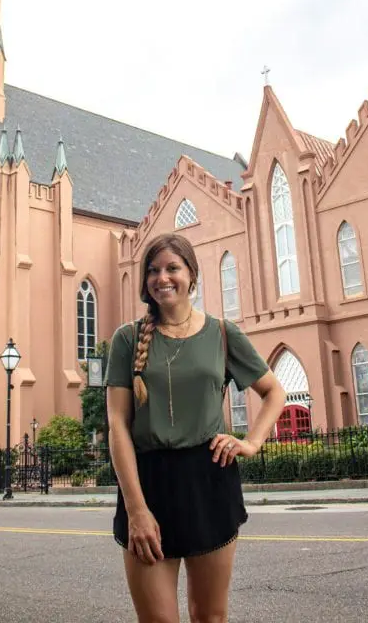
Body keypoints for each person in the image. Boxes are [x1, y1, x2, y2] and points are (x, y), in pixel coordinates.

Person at [105, 232, 286, 623]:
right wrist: (137, 510)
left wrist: (251, 443)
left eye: (172, 268)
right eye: (153, 270)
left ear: (192, 275)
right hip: (147, 484)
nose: (162, 278)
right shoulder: (126, 339)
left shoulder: (222, 333)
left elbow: (273, 392)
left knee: (210, 617)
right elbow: (117, 424)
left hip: (209, 482)